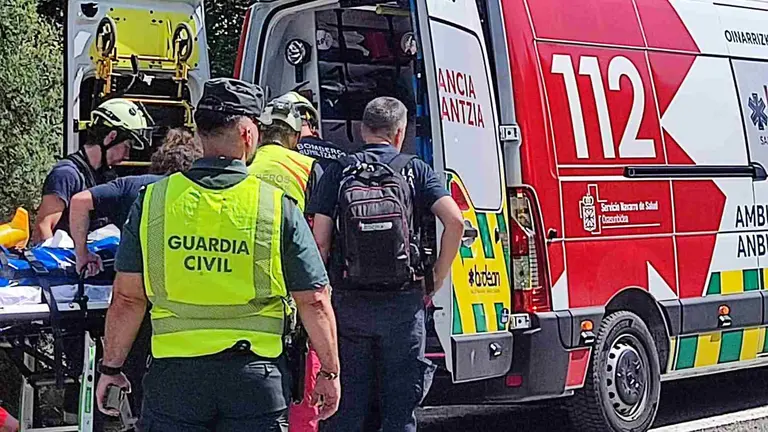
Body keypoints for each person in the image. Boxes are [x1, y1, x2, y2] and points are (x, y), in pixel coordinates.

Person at [94, 78, 341, 432]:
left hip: (174, 381)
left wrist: (111, 368)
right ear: (247, 134)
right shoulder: (274, 206)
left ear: (199, 131)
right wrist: (329, 372)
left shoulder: (153, 202)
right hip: (254, 380)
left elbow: (127, 298)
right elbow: (315, 300)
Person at [308, 97, 464, 432]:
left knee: (346, 409)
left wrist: (321, 296)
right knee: (399, 410)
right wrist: (436, 276)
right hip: (403, 305)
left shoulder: (339, 170)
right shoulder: (415, 169)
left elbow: (320, 241)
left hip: (349, 305)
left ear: (363, 130)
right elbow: (455, 222)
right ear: (400, 132)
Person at [68, 127, 201, 417]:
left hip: (131, 302)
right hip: (179, 308)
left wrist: (82, 253)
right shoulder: (199, 195)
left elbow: (79, 201)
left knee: (140, 382)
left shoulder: (132, 186)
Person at [33, 99, 151, 243]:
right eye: (126, 146)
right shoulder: (66, 175)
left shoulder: (104, 177)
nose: (126, 156)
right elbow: (42, 229)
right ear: (111, 137)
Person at [249, 97, 317, 211]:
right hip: (293, 227)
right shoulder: (309, 166)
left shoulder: (244, 161)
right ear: (296, 137)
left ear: (260, 133)